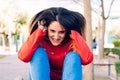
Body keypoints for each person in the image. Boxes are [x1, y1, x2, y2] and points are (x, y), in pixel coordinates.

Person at [18, 7, 93, 80]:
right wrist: (39, 31)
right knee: (38, 53)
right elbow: (23, 57)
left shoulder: (71, 42)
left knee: (73, 56)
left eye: (61, 32)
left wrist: (75, 33)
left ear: (67, 31)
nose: (56, 37)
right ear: (46, 29)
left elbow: (87, 59)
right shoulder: (40, 40)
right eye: (52, 31)